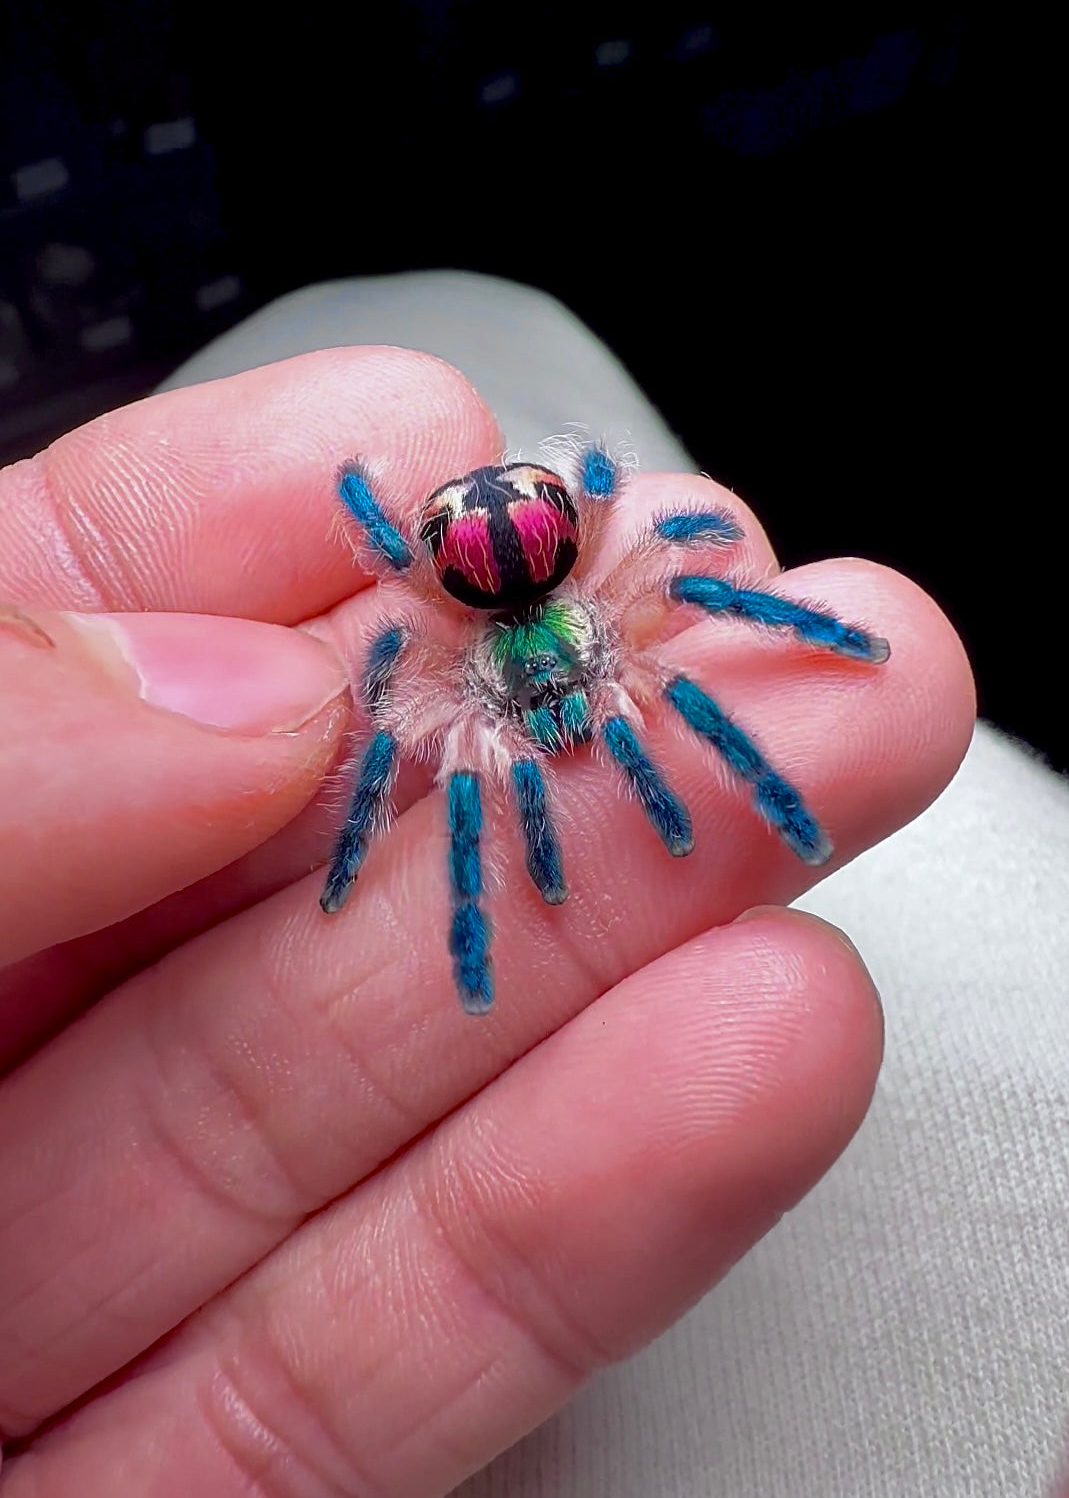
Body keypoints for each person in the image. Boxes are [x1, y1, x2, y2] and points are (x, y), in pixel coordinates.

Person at [0, 275, 1061, 1498]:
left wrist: (767, 608)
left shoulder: (605, 604)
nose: (561, 711)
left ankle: (831, 667)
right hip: (478, 578)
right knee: (460, 780)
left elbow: (676, 549)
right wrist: (350, 847)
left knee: (691, 667)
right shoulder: (448, 649)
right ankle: (464, 945)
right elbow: (396, 670)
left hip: (524, 565)